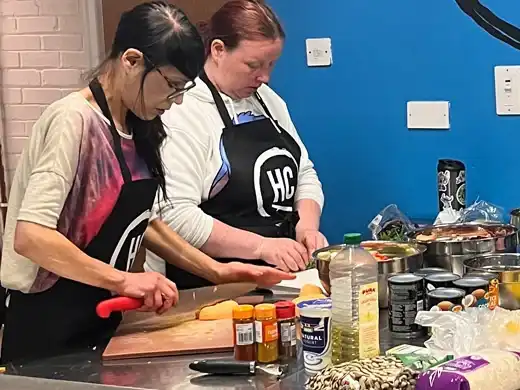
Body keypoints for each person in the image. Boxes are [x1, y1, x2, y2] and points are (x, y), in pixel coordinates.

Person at [0, 1, 292, 365]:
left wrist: (216, 272)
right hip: (46, 327)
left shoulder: (138, 125)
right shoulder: (73, 122)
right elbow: (31, 236)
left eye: (184, 88)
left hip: (101, 318)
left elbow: (143, 219)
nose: (177, 100)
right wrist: (123, 281)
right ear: (132, 60)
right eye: (171, 85)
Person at [146, 0, 327, 289]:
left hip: (277, 283)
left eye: (271, 64)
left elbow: (304, 172)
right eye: (253, 65)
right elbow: (174, 216)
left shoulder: (269, 101)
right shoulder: (183, 111)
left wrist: (307, 226)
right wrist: (261, 247)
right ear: (217, 50)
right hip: (207, 289)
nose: (264, 76)